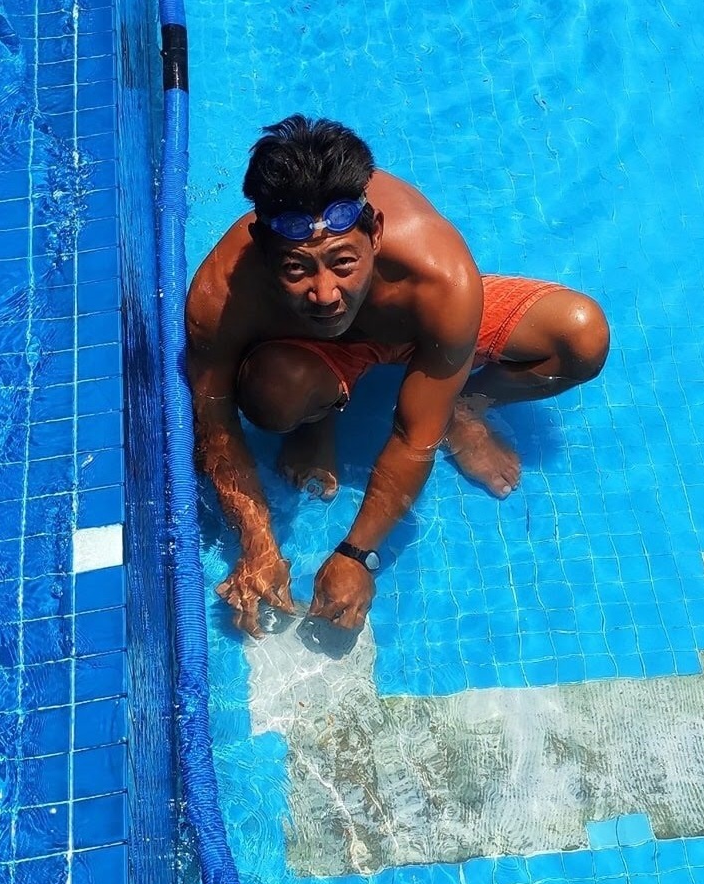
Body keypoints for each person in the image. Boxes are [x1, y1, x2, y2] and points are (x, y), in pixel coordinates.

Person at [187, 115, 609, 635]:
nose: (325, 293)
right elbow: (211, 415)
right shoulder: (221, 293)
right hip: (307, 350)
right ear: (261, 244)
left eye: (344, 263)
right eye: (296, 269)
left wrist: (357, 554)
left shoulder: (439, 277)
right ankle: (319, 415)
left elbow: (413, 437)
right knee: (272, 394)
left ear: (376, 233)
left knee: (580, 338)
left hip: (417, 327)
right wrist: (256, 542)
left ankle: (461, 405)